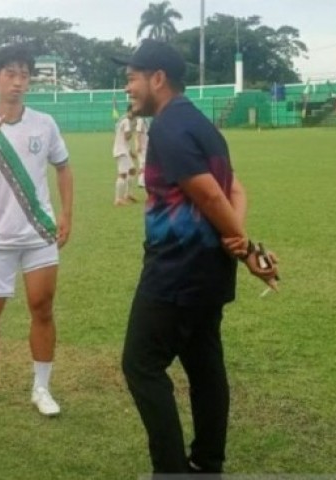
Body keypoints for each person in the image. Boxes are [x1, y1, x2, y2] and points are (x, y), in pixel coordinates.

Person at [116, 39, 279, 474]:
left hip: (176, 272)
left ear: (157, 79)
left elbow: (210, 193)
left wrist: (244, 249)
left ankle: (171, 469)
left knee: (141, 364)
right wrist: (243, 245)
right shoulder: (203, 125)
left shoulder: (169, 128)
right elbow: (236, 190)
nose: (128, 87)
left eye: (132, 78)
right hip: (209, 274)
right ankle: (209, 463)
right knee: (205, 365)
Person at [0, 45, 74, 417]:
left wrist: (66, 215)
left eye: (24, 74)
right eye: (10, 73)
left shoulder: (45, 123)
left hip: (39, 234)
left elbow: (64, 168)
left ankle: (41, 388)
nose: (18, 82)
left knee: (42, 308)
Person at [112, 104, 138, 205]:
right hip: (121, 151)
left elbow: (123, 139)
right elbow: (127, 137)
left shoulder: (123, 120)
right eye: (134, 113)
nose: (135, 115)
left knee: (132, 170)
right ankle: (118, 199)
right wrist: (133, 127)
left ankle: (128, 194)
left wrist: (130, 152)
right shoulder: (126, 121)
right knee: (122, 174)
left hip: (124, 150)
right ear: (129, 111)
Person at [135, 113, 149, 188]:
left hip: (146, 145)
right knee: (143, 163)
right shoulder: (140, 120)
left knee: (144, 163)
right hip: (142, 146)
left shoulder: (145, 120)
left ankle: (142, 181)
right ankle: (141, 181)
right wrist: (138, 144)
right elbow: (138, 133)